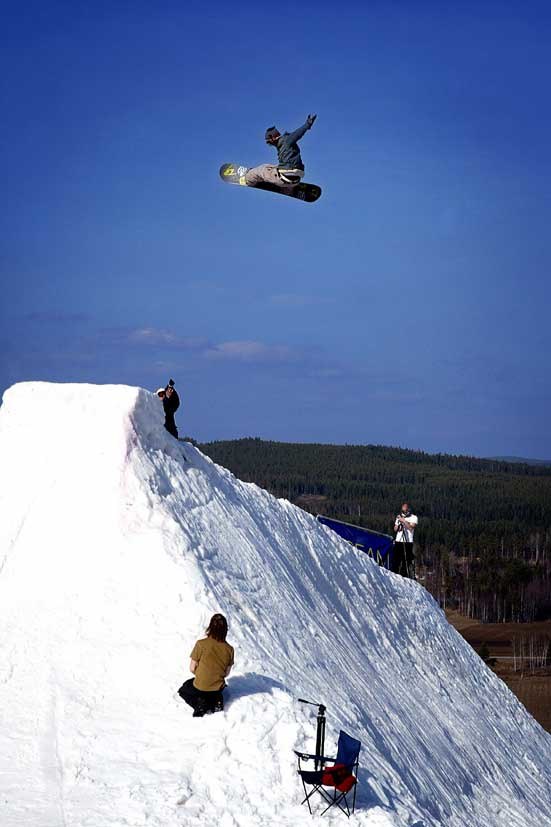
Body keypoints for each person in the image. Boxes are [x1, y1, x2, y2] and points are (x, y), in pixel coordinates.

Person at [178, 613, 234, 718]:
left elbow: (192, 668)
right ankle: (215, 702)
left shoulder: (201, 644)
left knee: (184, 689)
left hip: (200, 685)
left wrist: (200, 673)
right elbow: (226, 673)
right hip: (217, 688)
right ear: (225, 630)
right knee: (215, 692)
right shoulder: (230, 649)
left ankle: (200, 704)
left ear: (210, 627)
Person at [245, 114, 317, 192]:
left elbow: (297, 134)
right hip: (296, 179)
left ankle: (248, 179)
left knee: (261, 169)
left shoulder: (286, 140)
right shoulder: (283, 145)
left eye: (269, 142)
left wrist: (307, 124)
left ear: (272, 138)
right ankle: (288, 189)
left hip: (283, 177)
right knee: (269, 166)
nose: (269, 144)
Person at [391, 502, 419, 579]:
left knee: (406, 559)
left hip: (408, 541)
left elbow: (411, 527)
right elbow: (395, 528)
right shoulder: (399, 517)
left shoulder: (414, 518)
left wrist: (404, 521)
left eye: (405, 511)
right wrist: (398, 526)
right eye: (403, 511)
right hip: (398, 540)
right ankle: (394, 574)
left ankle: (405, 576)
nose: (404, 512)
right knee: (396, 559)